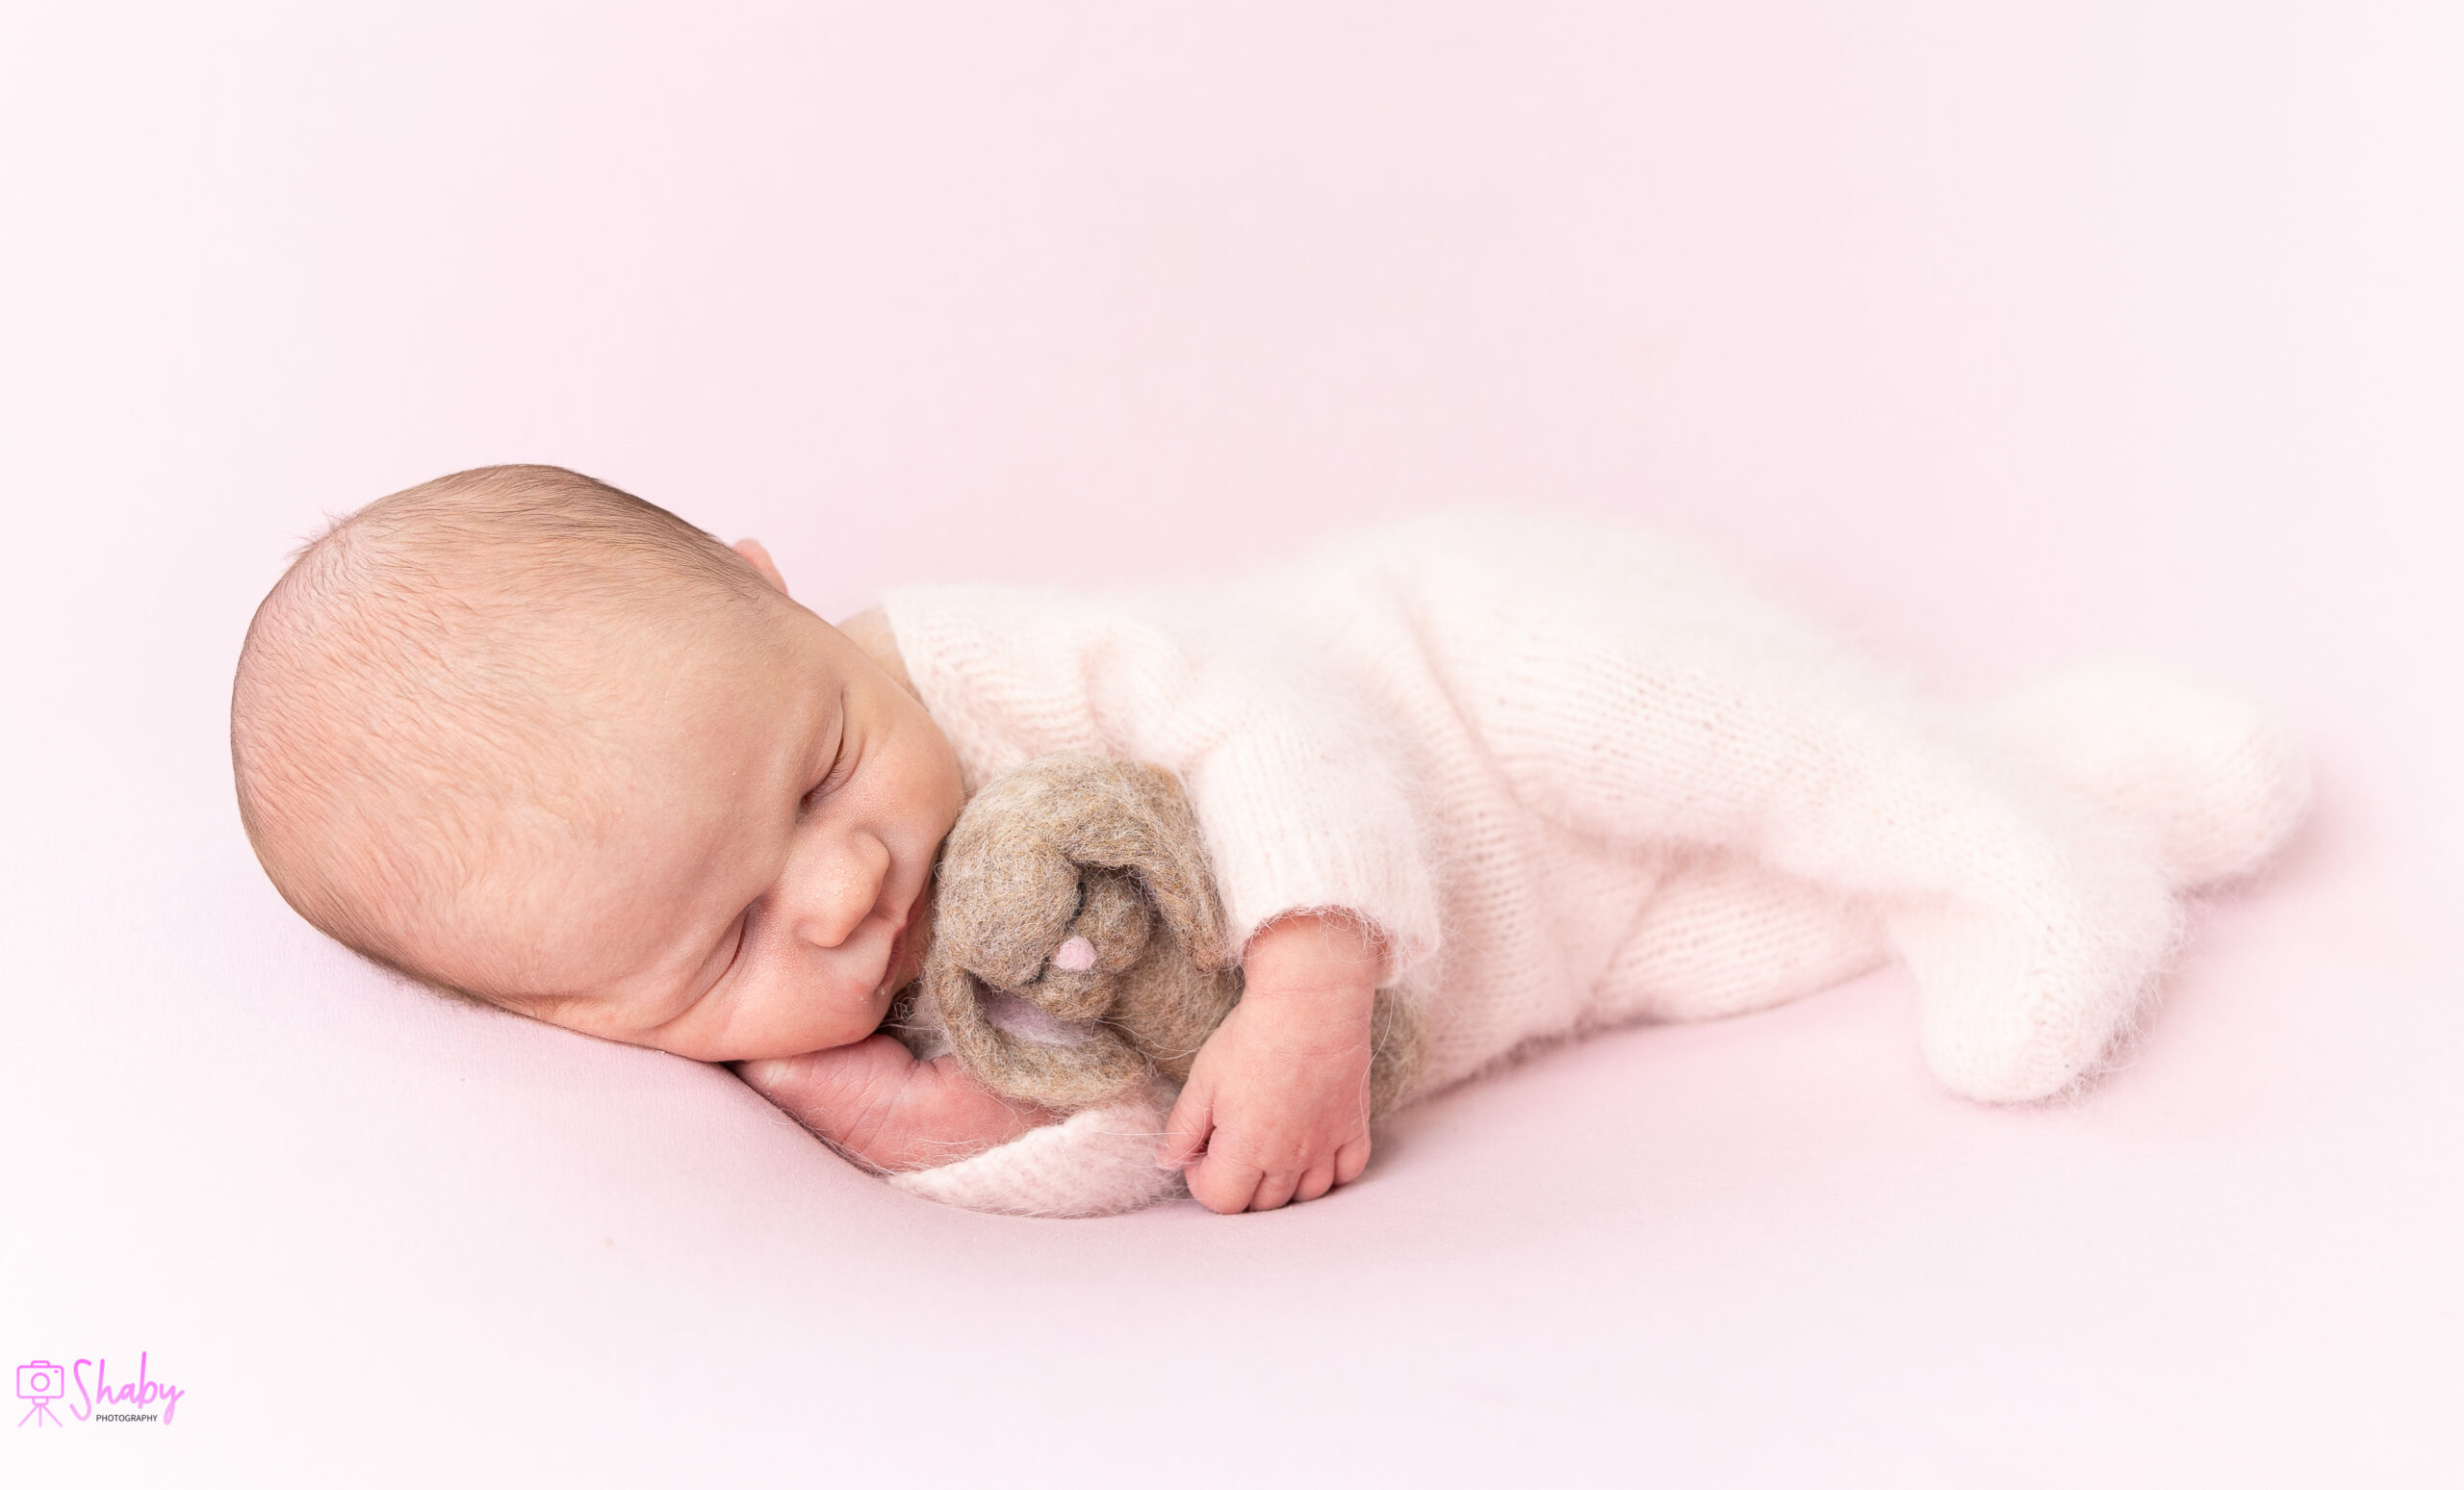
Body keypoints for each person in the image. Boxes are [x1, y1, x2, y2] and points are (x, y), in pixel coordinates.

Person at [230, 466, 2307, 1215]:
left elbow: (1257, 698)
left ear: (785, 595)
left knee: (1717, 737)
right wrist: (920, 1131)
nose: (846, 887)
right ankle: (2104, 777)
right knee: (1758, 919)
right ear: (577, 1015)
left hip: (1465, 676)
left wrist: (1312, 962)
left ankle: (2009, 853)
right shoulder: (837, 1034)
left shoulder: (958, 659)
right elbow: (1165, 1136)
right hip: (1562, 952)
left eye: (810, 775)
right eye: (725, 933)